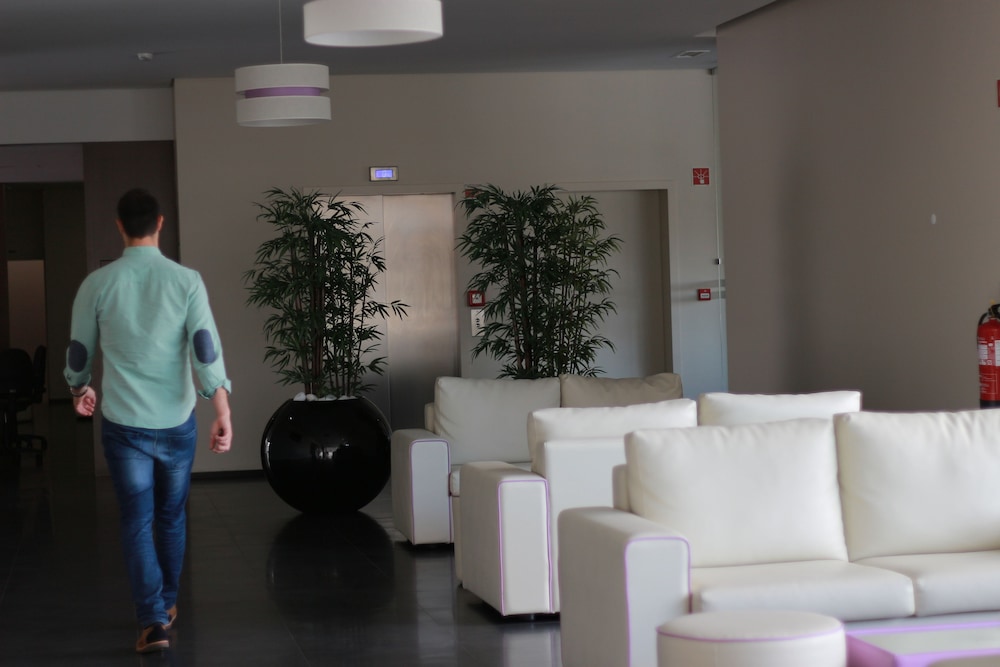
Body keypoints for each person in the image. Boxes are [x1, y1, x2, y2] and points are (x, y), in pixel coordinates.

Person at [64, 188, 232, 654]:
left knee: (137, 520)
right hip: (176, 423)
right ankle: (168, 602)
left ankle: (152, 620)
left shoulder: (97, 284)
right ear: (160, 223)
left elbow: (79, 352)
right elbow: (205, 350)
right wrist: (221, 410)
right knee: (171, 516)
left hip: (123, 425)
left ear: (119, 226)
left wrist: (79, 390)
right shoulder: (186, 281)